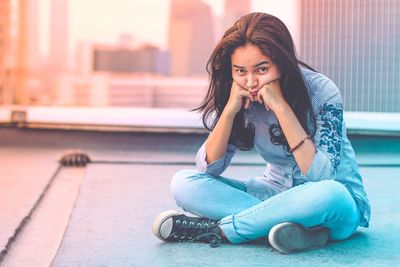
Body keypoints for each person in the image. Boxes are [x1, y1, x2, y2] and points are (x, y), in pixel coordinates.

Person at [152, 12, 370, 254]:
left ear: (282, 62)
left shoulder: (322, 91)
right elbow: (208, 170)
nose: (251, 82)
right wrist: (229, 111)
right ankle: (298, 231)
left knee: (331, 193)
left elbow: (321, 176)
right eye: (240, 71)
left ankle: (220, 231)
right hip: (271, 193)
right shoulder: (239, 96)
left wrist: (281, 107)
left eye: (262, 69)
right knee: (184, 183)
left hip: (332, 205)